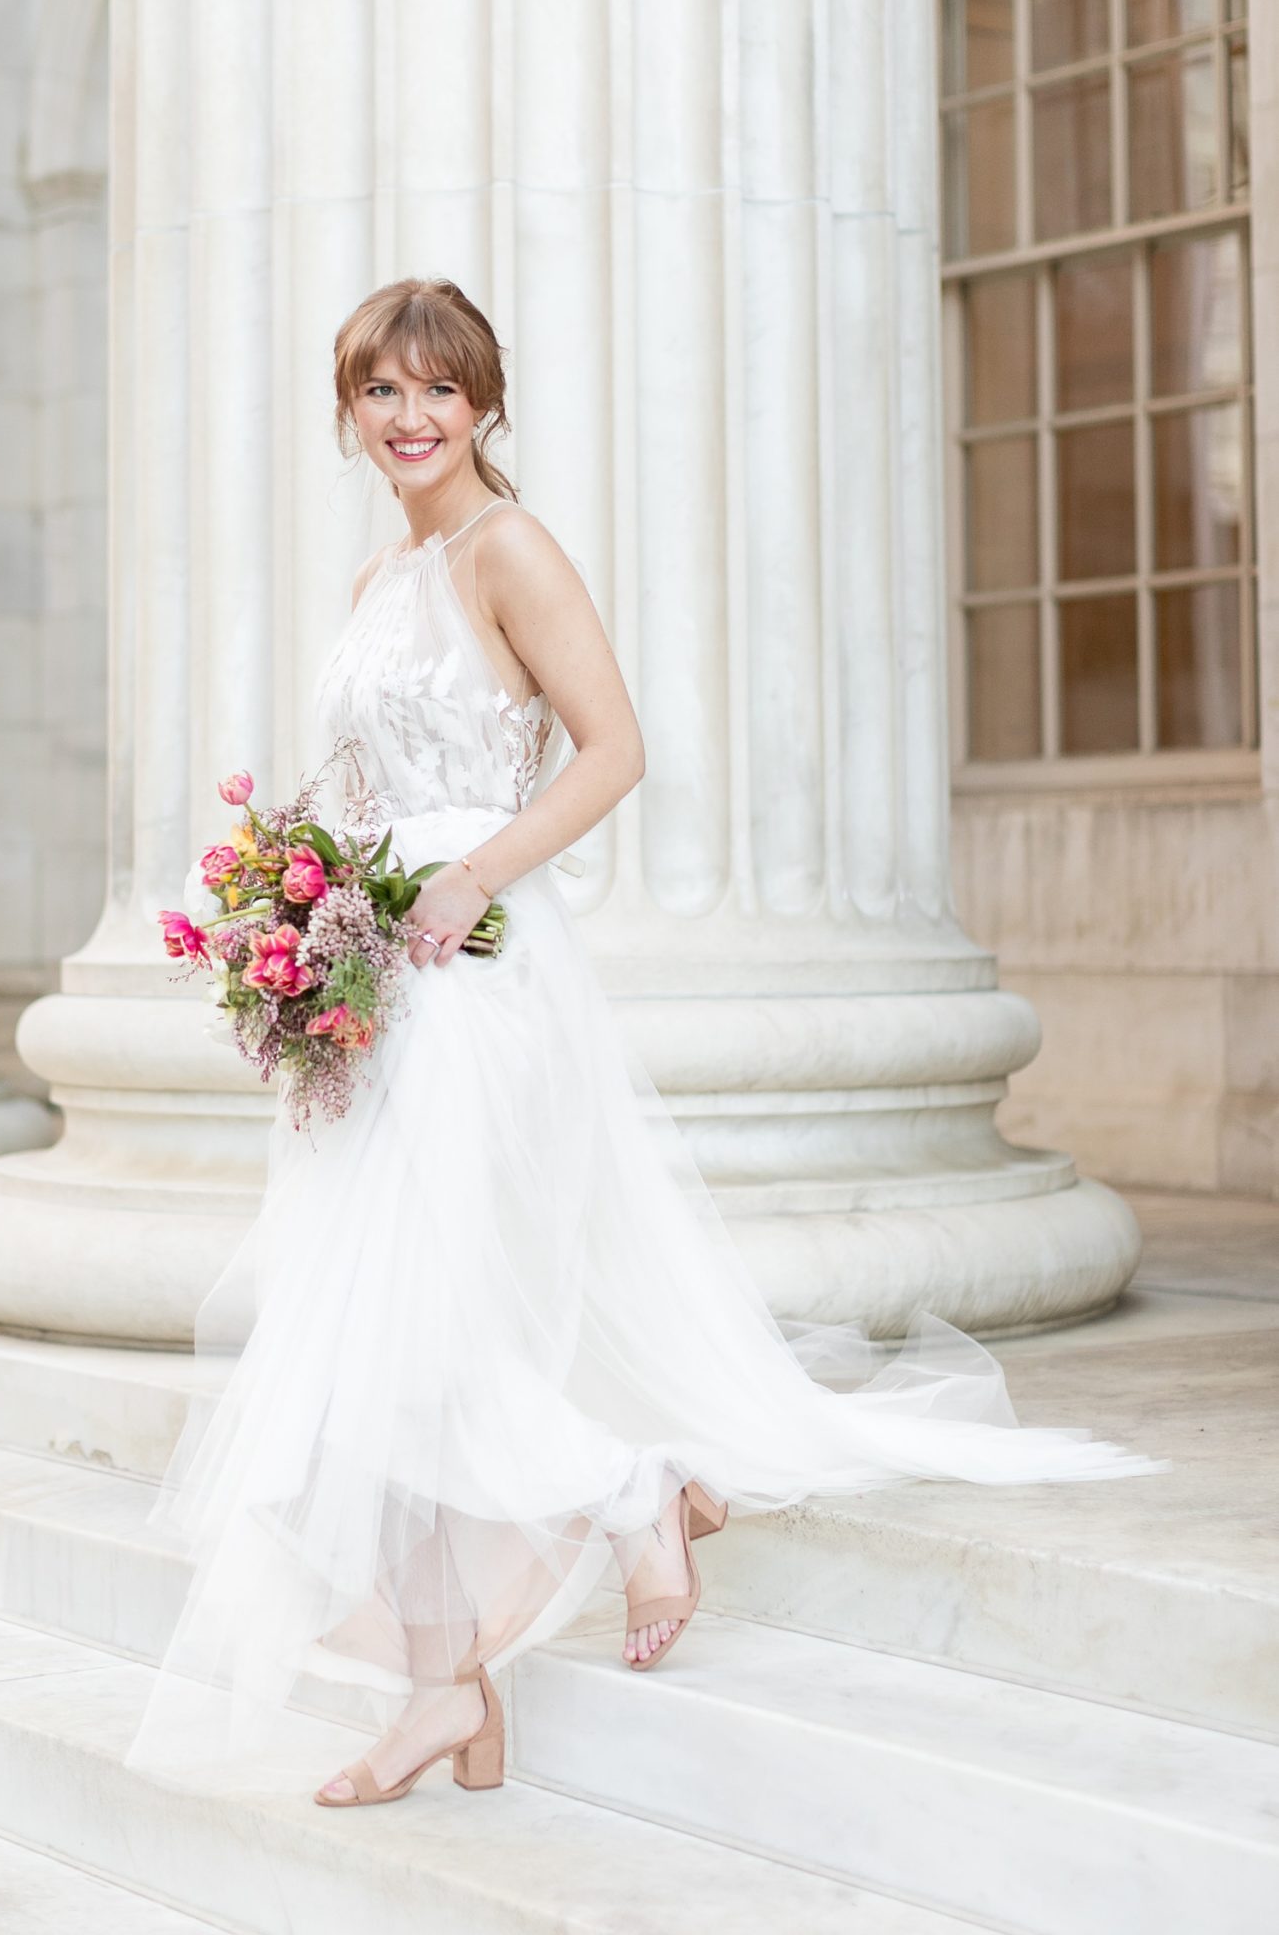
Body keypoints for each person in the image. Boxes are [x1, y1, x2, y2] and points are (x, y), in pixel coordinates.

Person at [123, 275, 1165, 1808]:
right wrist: (300, 957)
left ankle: (632, 1485)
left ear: (484, 404)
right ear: (346, 414)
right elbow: (354, 803)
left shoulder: (507, 551)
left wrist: (470, 875)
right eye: (379, 394)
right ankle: (440, 1691)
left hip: (476, 967)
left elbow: (614, 749)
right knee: (367, 1340)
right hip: (381, 987)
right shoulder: (374, 585)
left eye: (439, 390)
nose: (410, 420)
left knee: (430, 1328)